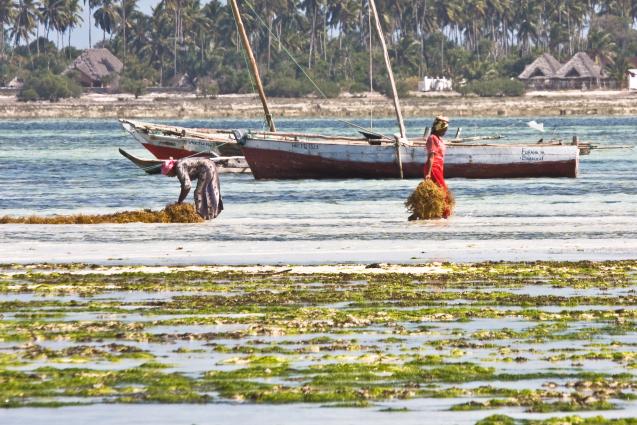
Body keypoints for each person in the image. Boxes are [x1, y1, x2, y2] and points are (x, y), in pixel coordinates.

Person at [424, 115, 452, 218]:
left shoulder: (439, 139)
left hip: (438, 168)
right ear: (439, 128)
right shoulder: (432, 138)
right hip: (433, 168)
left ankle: (430, 214)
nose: (445, 132)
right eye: (444, 129)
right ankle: (445, 215)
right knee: (444, 192)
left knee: (435, 194)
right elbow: (431, 157)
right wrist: (428, 173)